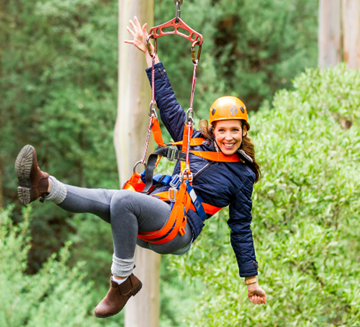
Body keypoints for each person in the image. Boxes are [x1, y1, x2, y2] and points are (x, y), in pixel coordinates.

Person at [15, 16, 266, 318]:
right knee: (107, 199)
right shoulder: (194, 142)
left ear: (244, 131)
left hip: (180, 228)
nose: (228, 137)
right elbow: (169, 104)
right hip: (158, 208)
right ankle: (44, 186)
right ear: (212, 130)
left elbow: (240, 228)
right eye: (222, 130)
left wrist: (250, 280)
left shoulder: (242, 175)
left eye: (235, 131)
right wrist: (151, 55)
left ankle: (121, 281)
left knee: (122, 201)